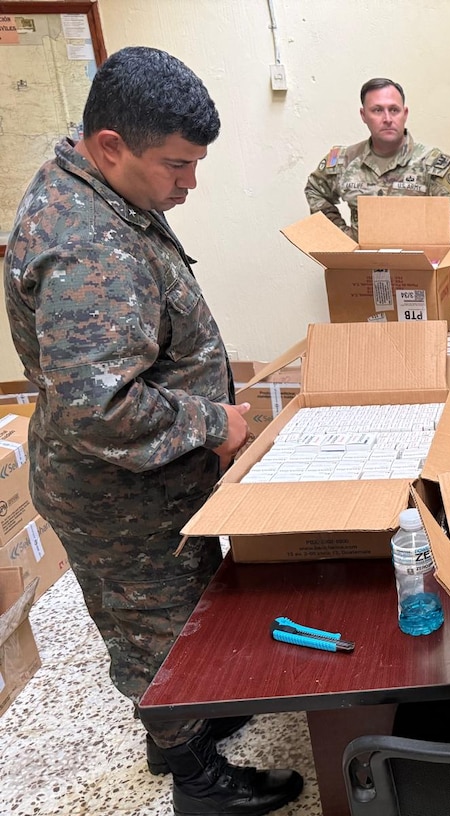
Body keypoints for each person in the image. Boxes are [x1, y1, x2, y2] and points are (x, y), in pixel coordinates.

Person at [4, 47, 303, 816]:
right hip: (121, 495)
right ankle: (198, 781)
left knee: (183, 618)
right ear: (111, 145)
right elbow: (97, 407)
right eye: (176, 164)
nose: (189, 182)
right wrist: (215, 419)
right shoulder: (82, 240)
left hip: (155, 477)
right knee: (160, 632)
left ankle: (183, 725)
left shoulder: (104, 192)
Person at [304, 77, 450, 300]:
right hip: (361, 281)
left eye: (393, 110)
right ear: (363, 115)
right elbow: (315, 189)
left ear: (405, 113)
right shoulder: (345, 161)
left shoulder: (430, 164)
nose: (387, 119)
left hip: (420, 281)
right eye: (377, 110)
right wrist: (342, 239)